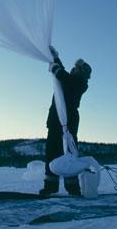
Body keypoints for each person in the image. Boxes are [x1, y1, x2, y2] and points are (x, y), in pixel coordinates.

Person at [39, 46, 92, 196]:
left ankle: (73, 188)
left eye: (76, 68)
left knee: (68, 155)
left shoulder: (80, 84)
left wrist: (55, 68)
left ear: (81, 73)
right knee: (51, 153)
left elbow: (63, 76)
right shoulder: (68, 79)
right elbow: (62, 72)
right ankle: (50, 187)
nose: (73, 69)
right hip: (55, 121)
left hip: (68, 123)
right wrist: (55, 57)